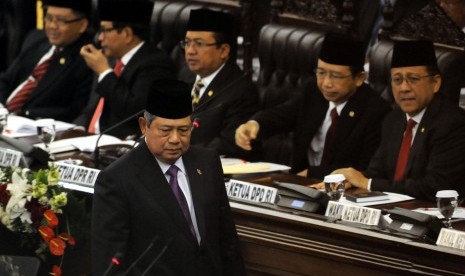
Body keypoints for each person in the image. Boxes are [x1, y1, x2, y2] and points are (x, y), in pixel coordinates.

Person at [92, 79, 245, 275]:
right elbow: (109, 261)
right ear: (144, 126)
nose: (175, 139)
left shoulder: (207, 162)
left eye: (183, 130)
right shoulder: (117, 179)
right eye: (165, 130)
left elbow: (227, 239)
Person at [320, 40, 465, 201]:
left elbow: (435, 186)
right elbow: (376, 173)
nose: (404, 88)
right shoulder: (393, 119)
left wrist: (368, 184)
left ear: (435, 83)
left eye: (413, 79)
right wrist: (350, 181)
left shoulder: (452, 123)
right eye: (397, 80)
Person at [235, 33, 391, 180]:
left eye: (336, 76)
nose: (326, 83)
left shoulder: (376, 111)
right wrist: (254, 124)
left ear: (359, 78)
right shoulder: (313, 92)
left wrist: (312, 173)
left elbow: (364, 168)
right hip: (299, 184)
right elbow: (282, 114)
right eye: (321, 73)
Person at [74, 0, 175, 138]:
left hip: (117, 147)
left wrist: (104, 72)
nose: (100, 37)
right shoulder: (109, 59)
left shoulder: (155, 64)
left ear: (127, 34)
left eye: (105, 30)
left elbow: (134, 112)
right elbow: (91, 108)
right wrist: (77, 129)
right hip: (87, 140)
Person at [182, 8, 259, 158]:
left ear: (223, 50)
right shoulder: (185, 75)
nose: (190, 51)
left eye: (199, 43)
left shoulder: (241, 91)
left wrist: (181, 152)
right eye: (187, 43)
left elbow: (228, 143)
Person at [0, 0, 93, 122]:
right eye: (48, 18)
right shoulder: (36, 38)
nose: (52, 26)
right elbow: (5, 80)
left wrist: (23, 113)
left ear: (82, 25)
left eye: (60, 20)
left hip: (36, 126)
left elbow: (75, 110)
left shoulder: (87, 58)